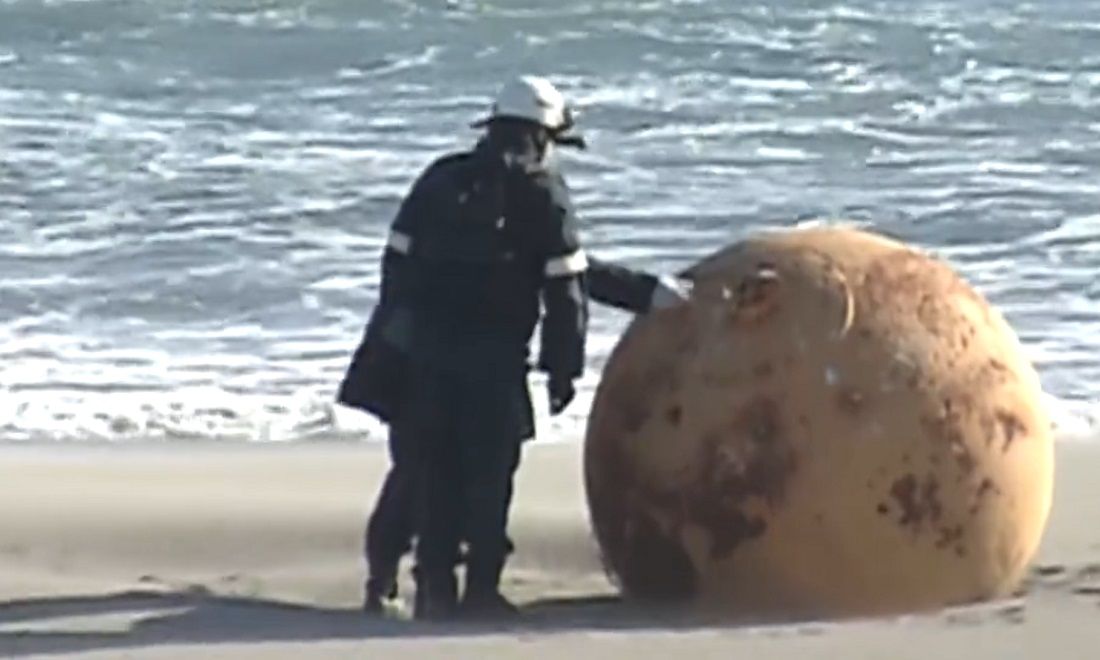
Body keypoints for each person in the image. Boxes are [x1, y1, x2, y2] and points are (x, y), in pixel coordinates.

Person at [337, 75, 692, 620]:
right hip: (491, 365)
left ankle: (415, 589)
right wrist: (564, 370)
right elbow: (564, 288)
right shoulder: (541, 191)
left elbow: (397, 270)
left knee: (422, 473)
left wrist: (399, 348)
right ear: (543, 136)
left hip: (418, 360)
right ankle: (480, 592)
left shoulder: (439, 179)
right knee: (487, 477)